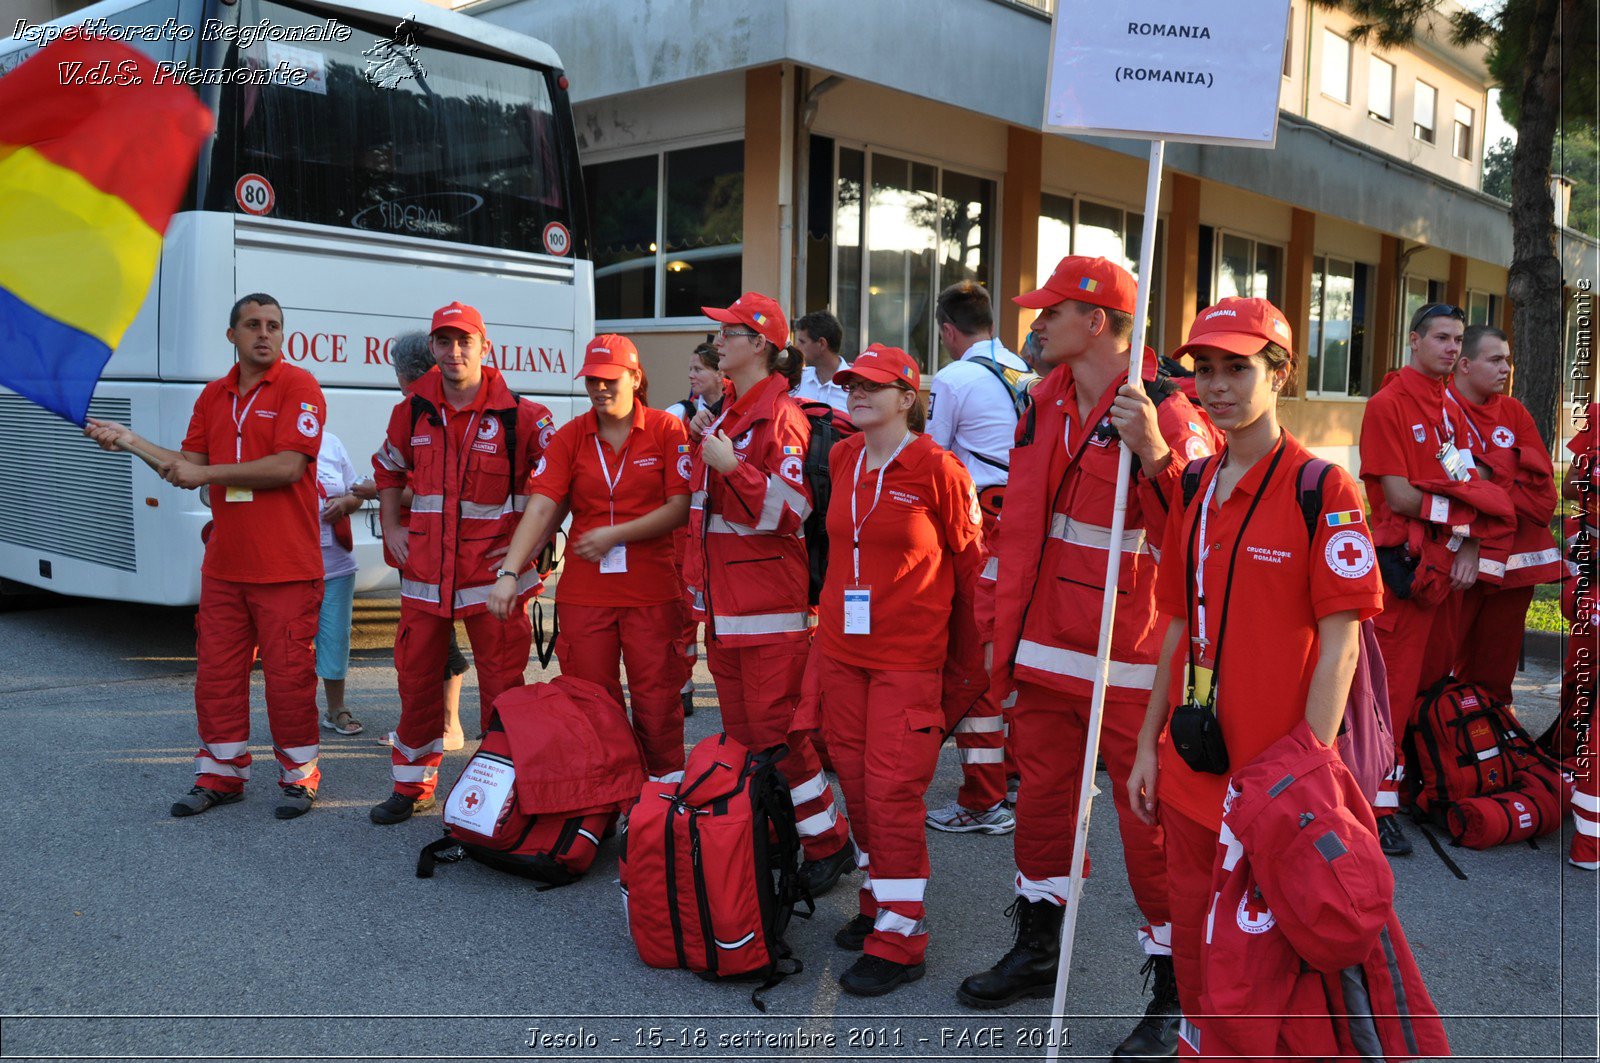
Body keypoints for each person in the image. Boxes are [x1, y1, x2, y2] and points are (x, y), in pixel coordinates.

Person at [960, 257, 1215, 1061]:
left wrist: (1155, 457)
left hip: (1129, 665)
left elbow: (1201, 540)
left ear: (1095, 322)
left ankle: (1179, 991)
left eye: (1049, 313)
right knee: (1039, 811)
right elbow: (1021, 531)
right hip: (1044, 655)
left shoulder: (1166, 411)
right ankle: (1039, 947)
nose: (1033, 325)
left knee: (1152, 836)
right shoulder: (1041, 401)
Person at [1127, 297, 1385, 1037]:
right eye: (1204, 369)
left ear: (1279, 373)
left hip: (1275, 796)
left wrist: (1306, 768)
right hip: (1191, 779)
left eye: (1237, 368)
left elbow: (1341, 642)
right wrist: (1149, 745)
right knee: (1200, 973)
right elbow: (1175, 626)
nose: (1216, 386)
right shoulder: (1197, 486)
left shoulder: (1322, 490)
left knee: (1269, 991)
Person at [84, 293, 327, 819]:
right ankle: (221, 775)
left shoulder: (298, 386)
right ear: (231, 335)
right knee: (216, 677)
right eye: (253, 325)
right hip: (224, 569)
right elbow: (183, 465)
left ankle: (299, 777)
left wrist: (208, 475)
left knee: (289, 680)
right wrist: (130, 441)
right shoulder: (212, 397)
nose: (265, 334)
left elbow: (288, 466)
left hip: (286, 568)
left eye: (274, 326)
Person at [812, 343, 986, 995]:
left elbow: (972, 575)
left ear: (907, 397)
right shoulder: (843, 454)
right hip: (843, 655)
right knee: (857, 786)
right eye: (852, 382)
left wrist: (968, 672)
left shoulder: (940, 469)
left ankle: (901, 938)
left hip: (908, 663)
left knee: (891, 794)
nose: (856, 392)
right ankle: (879, 901)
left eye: (873, 385)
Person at [684, 291, 857, 895]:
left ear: (759, 344)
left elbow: (792, 510)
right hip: (731, 607)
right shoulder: (727, 411)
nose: (717, 343)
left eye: (728, 333)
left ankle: (829, 844)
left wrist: (733, 466)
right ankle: (779, 832)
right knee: (746, 738)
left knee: (782, 737)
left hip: (768, 611)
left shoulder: (780, 415)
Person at [369, 301, 551, 824]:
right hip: (425, 578)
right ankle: (412, 787)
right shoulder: (411, 411)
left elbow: (556, 484)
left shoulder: (524, 415)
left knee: (503, 693)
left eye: (464, 341)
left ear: (484, 346)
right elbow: (388, 468)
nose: (454, 352)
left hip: (493, 581)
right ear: (432, 348)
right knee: (416, 683)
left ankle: (501, 794)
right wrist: (394, 526)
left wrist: (527, 559)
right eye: (444, 342)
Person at [488, 335, 692, 781]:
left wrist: (613, 535)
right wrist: (508, 572)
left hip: (651, 592)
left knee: (657, 699)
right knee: (591, 698)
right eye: (592, 381)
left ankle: (662, 796)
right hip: (587, 595)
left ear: (635, 378)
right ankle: (611, 791)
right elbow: (541, 506)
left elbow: (678, 509)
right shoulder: (571, 435)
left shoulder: (665, 429)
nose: (599, 389)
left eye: (609, 379)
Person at [1357, 302, 1494, 855]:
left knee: (1429, 683)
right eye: (1441, 337)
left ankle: (1416, 786)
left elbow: (1483, 482)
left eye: (1459, 339)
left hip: (1444, 571)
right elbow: (1398, 496)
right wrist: (1462, 515)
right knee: (1386, 693)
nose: (1452, 348)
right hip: (1402, 572)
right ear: (1414, 341)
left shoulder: (1451, 409)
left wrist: (1473, 541)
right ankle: (1373, 806)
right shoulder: (1388, 404)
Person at [924, 280, 1030, 836]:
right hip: (1027, 530)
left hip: (982, 529)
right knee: (1009, 660)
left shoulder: (954, 376)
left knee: (975, 665)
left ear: (948, 328)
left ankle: (983, 801)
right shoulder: (1026, 372)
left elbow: (930, 456)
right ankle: (1010, 774)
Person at [1444, 326, 1562, 701]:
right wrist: (1513, 472)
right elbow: (1444, 485)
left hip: (1515, 566)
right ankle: (1442, 744)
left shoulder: (1514, 411)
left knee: (1497, 674)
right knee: (1443, 666)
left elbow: (1544, 497)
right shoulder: (1440, 409)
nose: (1506, 368)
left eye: (1508, 360)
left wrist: (1488, 470)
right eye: (1495, 360)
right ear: (1464, 365)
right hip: (1458, 562)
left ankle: (1494, 747)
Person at [388, 332, 469, 750]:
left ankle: (449, 726)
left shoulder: (425, 411)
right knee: (424, 645)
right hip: (423, 549)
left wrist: (375, 498)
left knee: (440, 642)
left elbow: (431, 490)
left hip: (439, 552)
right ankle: (430, 731)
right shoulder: (415, 413)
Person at [668, 340, 726, 715]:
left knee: (717, 608)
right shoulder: (678, 412)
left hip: (719, 525)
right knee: (682, 609)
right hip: (684, 524)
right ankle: (682, 684)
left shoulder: (736, 411)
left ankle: (723, 684)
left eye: (699, 369)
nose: (691, 376)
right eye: (690, 369)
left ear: (721, 374)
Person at [314, 428, 374, 735]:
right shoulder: (267, 437)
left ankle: (336, 708)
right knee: (288, 644)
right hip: (288, 564)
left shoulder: (331, 441)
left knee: (335, 639)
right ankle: (292, 712)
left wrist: (345, 504)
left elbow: (356, 493)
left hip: (335, 563)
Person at [791, 310, 851, 411]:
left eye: (802, 341)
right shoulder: (796, 380)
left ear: (822, 343)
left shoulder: (854, 387)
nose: (797, 346)